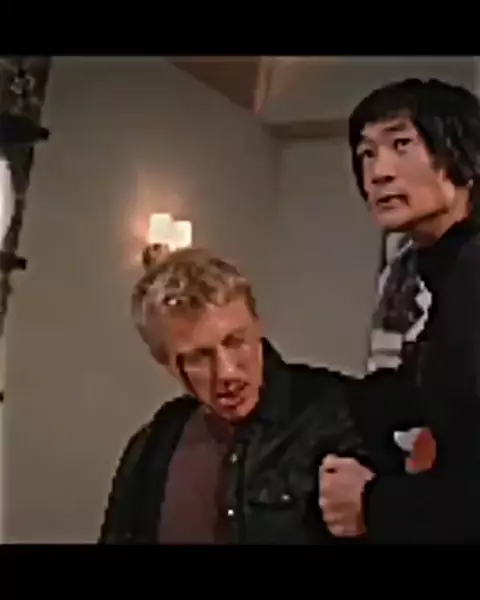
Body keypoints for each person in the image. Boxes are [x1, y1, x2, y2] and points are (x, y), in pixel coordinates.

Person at [99, 247, 398, 544]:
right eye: (199, 357)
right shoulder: (155, 444)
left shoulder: (339, 414)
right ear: (166, 363)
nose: (227, 373)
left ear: (258, 327)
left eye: (235, 341)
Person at [319, 77, 480, 543]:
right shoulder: (444, 273)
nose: (379, 172)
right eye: (367, 153)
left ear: (458, 152)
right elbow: (420, 391)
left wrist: (374, 504)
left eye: (401, 144)